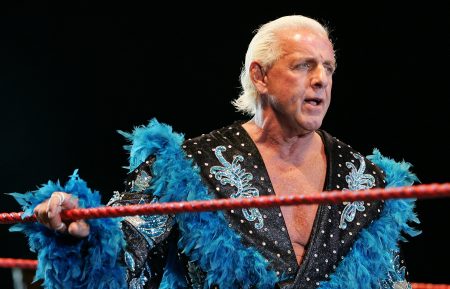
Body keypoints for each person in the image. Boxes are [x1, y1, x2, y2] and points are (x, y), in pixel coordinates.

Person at [11, 15, 420, 289]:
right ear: (259, 75)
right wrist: (80, 234)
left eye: (328, 68)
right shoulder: (187, 169)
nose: (320, 81)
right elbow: (126, 257)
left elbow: (389, 279)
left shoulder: (364, 179)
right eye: (303, 66)